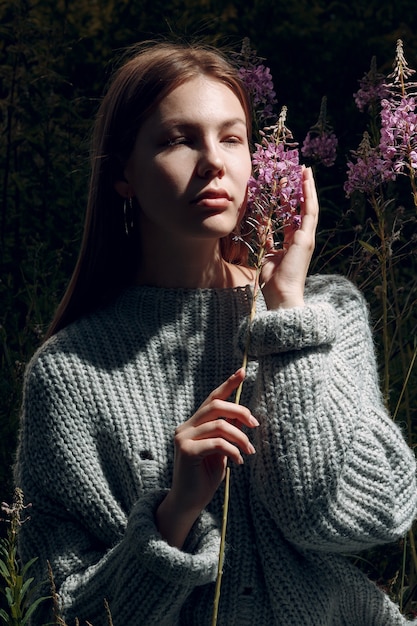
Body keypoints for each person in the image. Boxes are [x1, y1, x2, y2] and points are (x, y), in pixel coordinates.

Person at [14, 40, 417, 626]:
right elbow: (58, 612)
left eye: (231, 137)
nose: (213, 161)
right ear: (123, 173)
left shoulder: (322, 313)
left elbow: (371, 516)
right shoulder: (69, 374)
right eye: (179, 139)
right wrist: (174, 513)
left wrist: (284, 314)